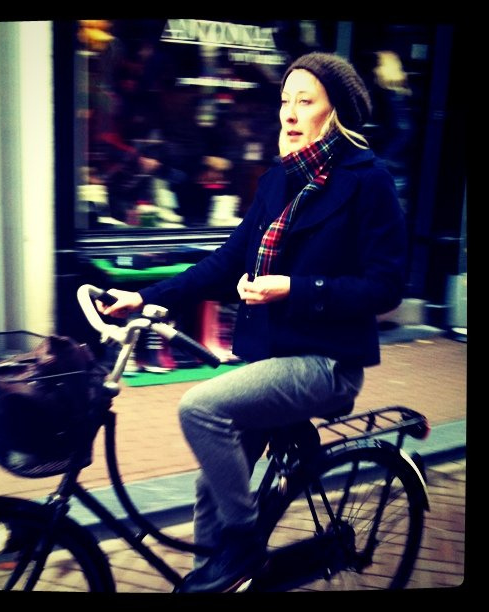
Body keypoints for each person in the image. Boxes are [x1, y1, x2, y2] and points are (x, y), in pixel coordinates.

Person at [96, 51, 407, 593]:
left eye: (305, 101)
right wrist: (144, 298)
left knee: (200, 407)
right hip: (270, 354)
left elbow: (385, 287)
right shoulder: (278, 181)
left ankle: (242, 546)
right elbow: (225, 263)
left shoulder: (368, 182)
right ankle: (211, 583)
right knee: (210, 487)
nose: (289, 112)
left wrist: (295, 288)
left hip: (326, 362)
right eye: (284, 100)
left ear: (335, 111)